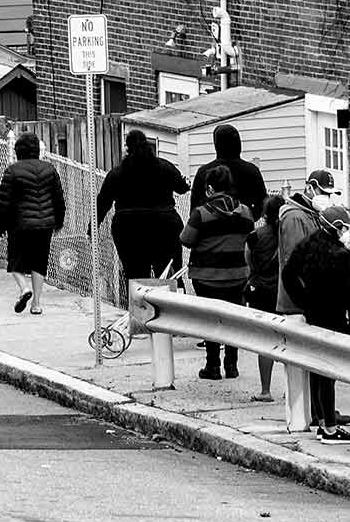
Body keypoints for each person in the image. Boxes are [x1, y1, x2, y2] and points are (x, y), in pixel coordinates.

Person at [281, 202, 350, 444]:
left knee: (318, 371)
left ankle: (321, 420)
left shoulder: (307, 246)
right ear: (337, 228)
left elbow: (288, 274)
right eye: (347, 228)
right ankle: (329, 427)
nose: (348, 232)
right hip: (335, 318)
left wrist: (304, 301)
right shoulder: (341, 255)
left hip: (313, 314)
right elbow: (349, 292)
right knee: (329, 372)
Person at [274, 169, 346, 425]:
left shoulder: (311, 215)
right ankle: (317, 412)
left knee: (318, 361)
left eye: (330, 194)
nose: (326, 198)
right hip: (300, 302)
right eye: (323, 193)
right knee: (314, 360)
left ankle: (322, 410)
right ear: (310, 188)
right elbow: (298, 265)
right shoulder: (295, 218)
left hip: (308, 300)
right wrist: (308, 301)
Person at [179, 174, 255, 380]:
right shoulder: (246, 212)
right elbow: (251, 235)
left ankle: (213, 365)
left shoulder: (201, 214)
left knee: (210, 318)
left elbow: (186, 239)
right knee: (234, 318)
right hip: (238, 275)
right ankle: (232, 365)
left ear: (210, 189)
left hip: (206, 277)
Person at [96, 130, 191, 281]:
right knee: (170, 276)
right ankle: (172, 302)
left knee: (136, 277)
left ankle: (139, 303)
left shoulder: (117, 173)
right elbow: (182, 188)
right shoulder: (164, 167)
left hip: (129, 230)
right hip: (164, 228)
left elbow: (103, 202)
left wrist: (92, 228)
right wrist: (186, 183)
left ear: (127, 149)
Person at [0, 132, 65, 315]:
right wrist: (59, 221)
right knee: (39, 262)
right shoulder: (50, 169)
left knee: (15, 261)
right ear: (37, 151)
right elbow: (58, 198)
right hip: (45, 225)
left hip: (19, 225)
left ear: (18, 151)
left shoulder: (12, 171)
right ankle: (36, 304)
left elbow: (4, 201)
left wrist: (0, 224)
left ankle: (24, 289)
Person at [246, 194, 284, 402]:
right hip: (284, 293)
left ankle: (265, 389)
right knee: (290, 341)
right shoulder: (289, 235)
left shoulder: (255, 236)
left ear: (264, 215)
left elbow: (249, 262)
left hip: (261, 292)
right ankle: (292, 386)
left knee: (266, 342)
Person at [189, 123, 267, 214]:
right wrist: (248, 217)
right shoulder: (251, 170)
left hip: (211, 226)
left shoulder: (204, 171)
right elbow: (263, 204)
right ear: (238, 143)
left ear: (217, 144)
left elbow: (194, 209)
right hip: (242, 224)